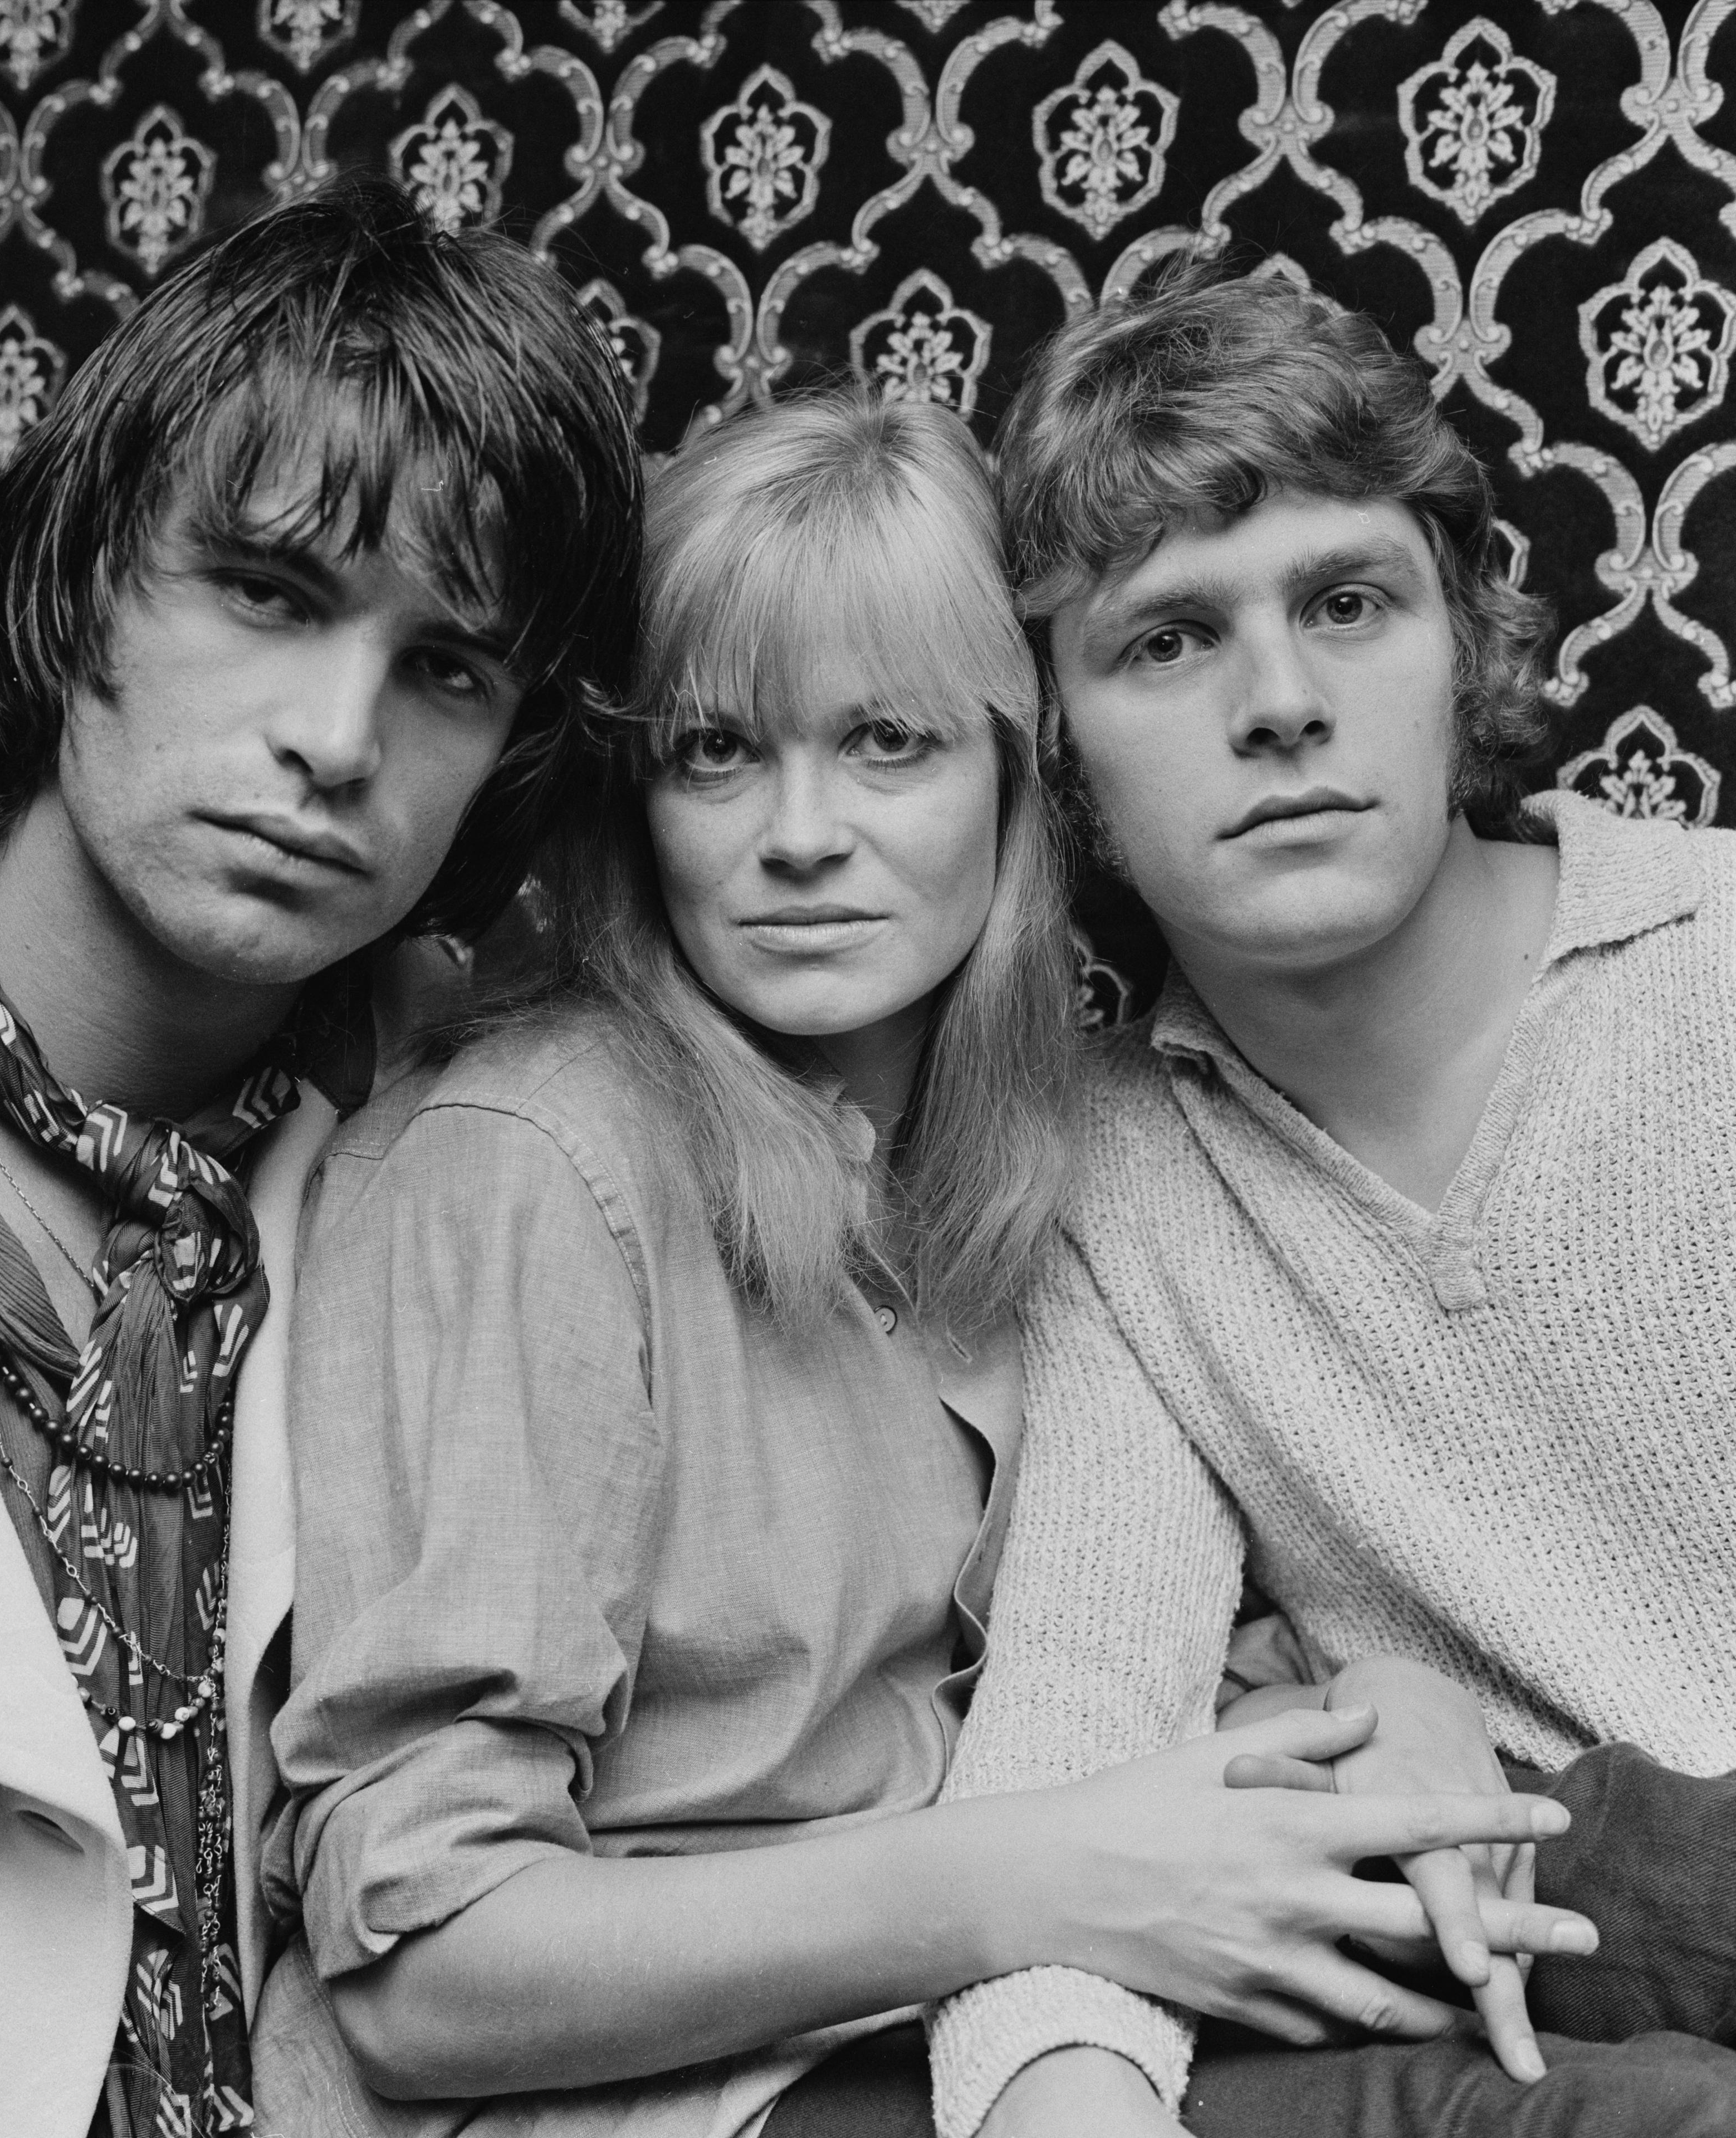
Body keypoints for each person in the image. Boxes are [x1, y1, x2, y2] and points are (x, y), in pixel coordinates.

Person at [250, 387, 1591, 2138]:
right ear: (634, 798)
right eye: (715, 751)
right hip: (654, 2101)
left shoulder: (1019, 1165)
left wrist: (1379, 1692)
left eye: (886, 741)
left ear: (1019, 782)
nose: (798, 835)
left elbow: (1108, 1660)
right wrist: (1027, 1882)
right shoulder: (533, 1159)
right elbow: (422, 1980)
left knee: (1623, 1913)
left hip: (975, 2006)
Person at [0, 172, 641, 2138]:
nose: (340, 740)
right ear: (85, 582)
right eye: (269, 592)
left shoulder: (494, 1182)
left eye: (448, 670)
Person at [926, 268, 1736, 2138]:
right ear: (1055, 747)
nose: (1280, 705)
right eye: (1166, 643)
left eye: (1348, 605)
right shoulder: (1110, 1187)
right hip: (1585, 2011)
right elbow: (1072, 1780)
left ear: (1466, 643)